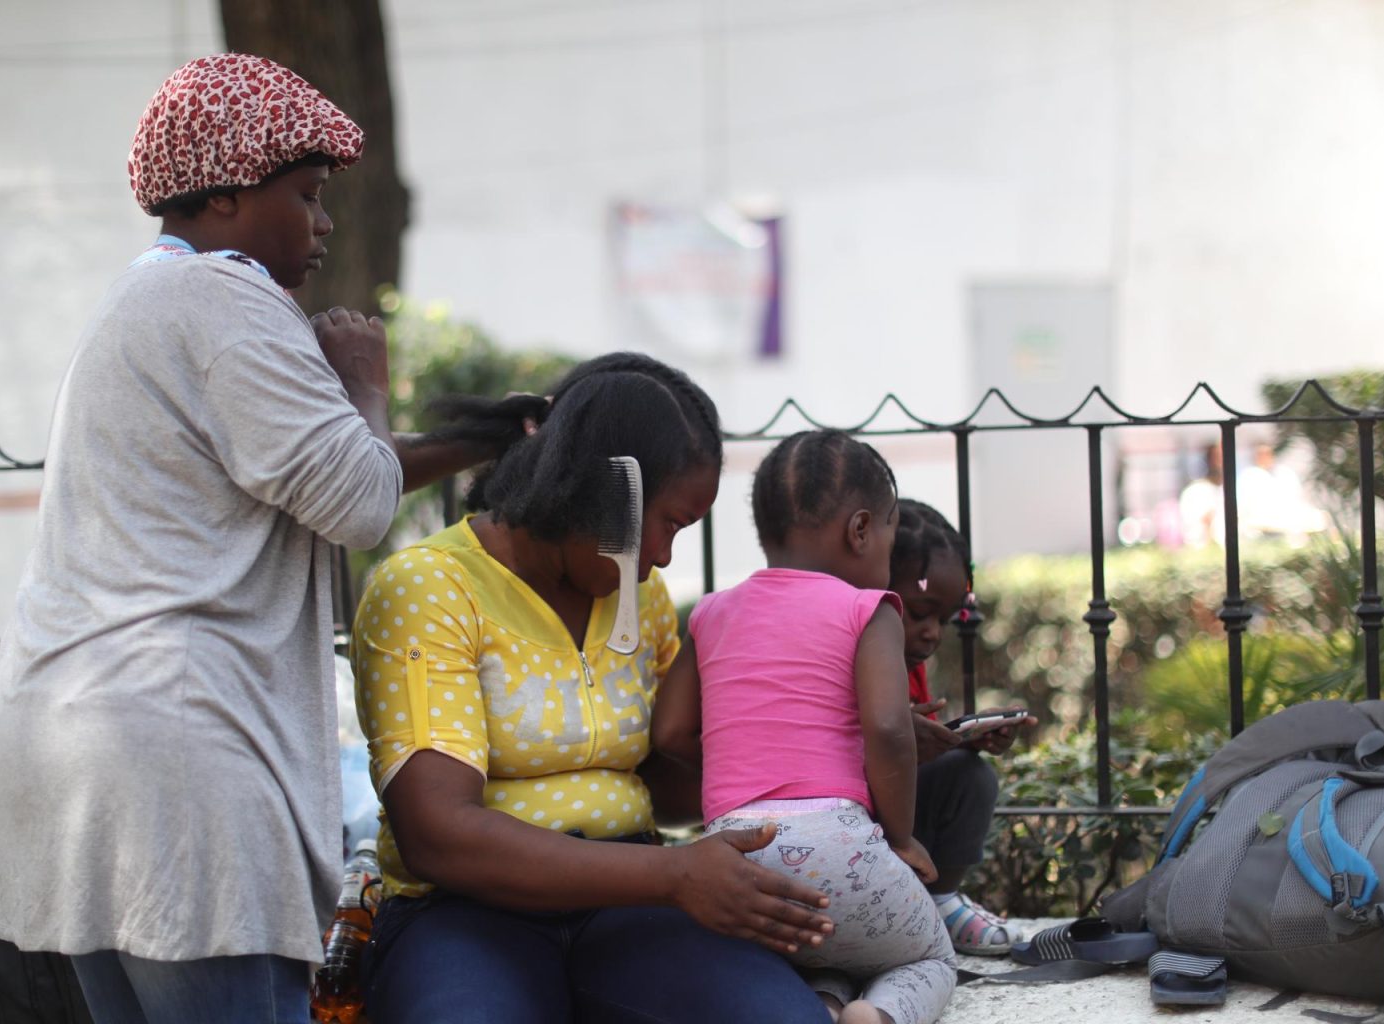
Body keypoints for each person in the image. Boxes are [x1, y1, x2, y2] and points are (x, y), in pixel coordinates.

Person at [0, 55, 492, 1024]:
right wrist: (361, 376)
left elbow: (311, 473)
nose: (325, 224)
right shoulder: (229, 298)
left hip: (67, 741)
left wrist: (477, 438)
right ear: (221, 194)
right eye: (306, 195)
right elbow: (359, 499)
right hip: (173, 755)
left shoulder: (143, 300)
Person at [350, 352, 837, 1024]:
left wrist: (841, 751)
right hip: (465, 914)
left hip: (632, 906)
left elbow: (667, 786)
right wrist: (675, 876)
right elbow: (440, 835)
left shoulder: (643, 597)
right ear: (609, 497)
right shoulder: (431, 587)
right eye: (669, 523)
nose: (665, 556)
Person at [653, 430, 958, 1024]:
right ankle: (880, 1017)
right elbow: (891, 731)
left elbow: (668, 733)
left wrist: (743, 759)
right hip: (840, 844)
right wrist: (898, 838)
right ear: (862, 529)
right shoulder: (868, 609)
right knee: (928, 959)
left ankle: (823, 1003)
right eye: (893, 531)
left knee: (824, 950)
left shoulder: (712, 611)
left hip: (735, 861)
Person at [889, 499, 1035, 956]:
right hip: (851, 821)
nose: (932, 632)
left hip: (895, 812)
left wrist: (959, 741)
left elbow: (916, 757)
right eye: (919, 612)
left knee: (970, 776)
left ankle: (940, 900)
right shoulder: (855, 647)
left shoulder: (907, 660)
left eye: (944, 619)